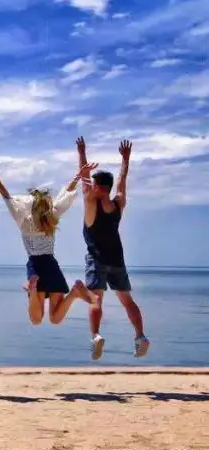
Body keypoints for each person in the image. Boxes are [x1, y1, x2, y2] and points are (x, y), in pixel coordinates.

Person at [0, 161, 95, 328]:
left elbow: (7, 197)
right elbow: (66, 194)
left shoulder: (23, 220)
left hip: (35, 266)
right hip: (50, 264)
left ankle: (33, 289)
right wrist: (77, 176)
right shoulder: (51, 216)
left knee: (36, 320)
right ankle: (74, 293)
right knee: (55, 319)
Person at [76, 137, 149, 360]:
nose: (90, 187)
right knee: (128, 301)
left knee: (95, 300)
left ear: (97, 187)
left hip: (97, 259)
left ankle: (96, 336)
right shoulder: (118, 204)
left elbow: (84, 181)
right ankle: (140, 337)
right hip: (117, 260)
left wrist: (82, 153)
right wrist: (125, 159)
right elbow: (122, 180)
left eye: (93, 185)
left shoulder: (91, 203)